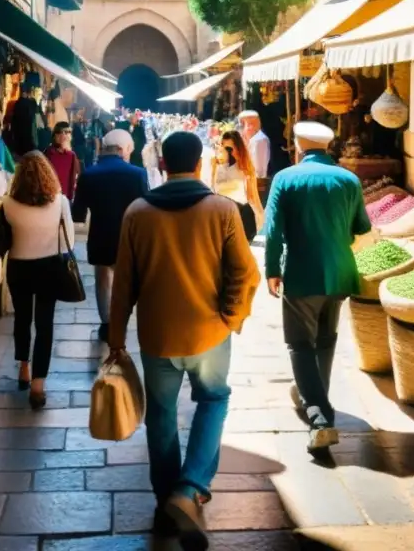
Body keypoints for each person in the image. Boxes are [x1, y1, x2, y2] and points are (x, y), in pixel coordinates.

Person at [108, 131, 260, 548]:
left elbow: (123, 285)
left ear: (162, 164)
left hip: (157, 336)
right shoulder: (222, 210)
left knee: (159, 414)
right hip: (209, 332)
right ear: (198, 165)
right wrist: (232, 316)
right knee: (213, 400)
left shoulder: (138, 212)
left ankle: (165, 498)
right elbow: (246, 273)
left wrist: (116, 337)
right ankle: (189, 488)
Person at [263, 121, 371, 456]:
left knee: (299, 344)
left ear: (298, 145)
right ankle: (314, 397)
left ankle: (320, 419)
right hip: (340, 273)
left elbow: (273, 233)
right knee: (325, 339)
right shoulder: (349, 179)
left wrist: (272, 270)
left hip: (302, 272)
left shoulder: (285, 178)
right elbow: (362, 228)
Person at [2, 151, 74, 410]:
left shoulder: (8, 203)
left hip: (18, 267)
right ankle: (38, 385)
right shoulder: (60, 201)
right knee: (45, 326)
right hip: (49, 267)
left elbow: (1, 238)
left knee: (22, 318)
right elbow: (71, 241)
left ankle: (23, 367)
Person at [73, 129, 148, 344]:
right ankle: (121, 321)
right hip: (129, 238)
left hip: (100, 238)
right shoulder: (137, 174)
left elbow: (78, 214)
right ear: (123, 149)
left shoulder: (89, 174)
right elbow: (147, 208)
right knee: (125, 282)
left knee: (103, 281)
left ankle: (106, 323)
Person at [211, 130, 264, 240]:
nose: (229, 152)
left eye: (231, 148)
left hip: (241, 217)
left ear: (238, 149)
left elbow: (253, 197)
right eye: (225, 148)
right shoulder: (216, 166)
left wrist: (262, 218)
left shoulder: (245, 168)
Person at [45, 121, 81, 201]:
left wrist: (71, 198)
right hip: (50, 197)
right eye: (59, 132)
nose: (63, 135)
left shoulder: (71, 155)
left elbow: (74, 179)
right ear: (54, 135)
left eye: (66, 132)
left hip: (66, 198)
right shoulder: (48, 153)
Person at [11, 80, 45, 157]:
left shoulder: (16, 103)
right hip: (30, 136)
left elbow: (13, 120)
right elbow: (37, 119)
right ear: (28, 92)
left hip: (18, 136)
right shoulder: (32, 103)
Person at [238, 110, 270, 179]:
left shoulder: (258, 140)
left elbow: (258, 170)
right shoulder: (254, 140)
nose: (242, 131)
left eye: (244, 125)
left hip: (257, 183)